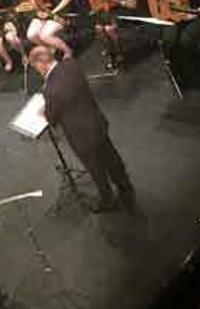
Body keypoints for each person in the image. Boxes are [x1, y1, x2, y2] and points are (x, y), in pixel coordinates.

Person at [31, 45, 135, 212]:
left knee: (95, 168)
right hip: (97, 122)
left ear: (41, 64)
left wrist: (45, 111)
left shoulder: (50, 90)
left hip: (81, 136)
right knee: (111, 157)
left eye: (35, 67)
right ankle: (126, 188)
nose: (37, 71)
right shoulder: (71, 64)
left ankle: (107, 199)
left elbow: (52, 118)